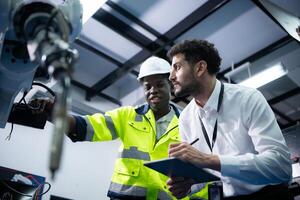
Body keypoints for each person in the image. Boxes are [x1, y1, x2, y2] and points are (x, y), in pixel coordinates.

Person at [31, 56, 207, 200]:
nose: (153, 90)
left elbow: (201, 172)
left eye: (159, 84)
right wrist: (57, 115)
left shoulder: (189, 123)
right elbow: (88, 126)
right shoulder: (127, 116)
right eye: (147, 86)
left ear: (170, 85)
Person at [166, 39, 293, 199]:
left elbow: (281, 167)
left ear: (200, 68)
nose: (171, 76)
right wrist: (189, 184)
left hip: (270, 195)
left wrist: (209, 160)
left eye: (177, 67)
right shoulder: (186, 117)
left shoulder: (247, 98)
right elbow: (208, 172)